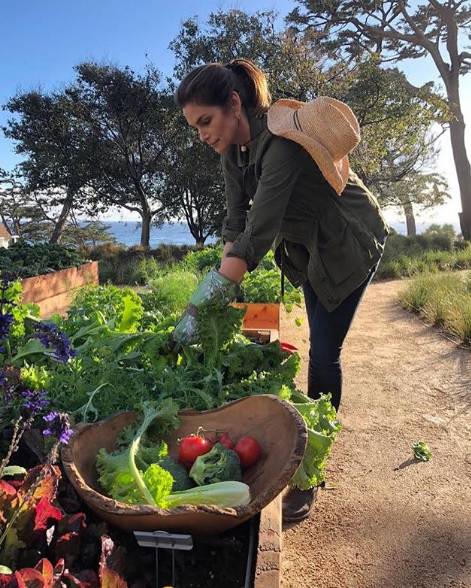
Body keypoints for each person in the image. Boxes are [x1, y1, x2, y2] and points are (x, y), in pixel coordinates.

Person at [173, 58, 389, 522]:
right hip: (308, 250)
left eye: (206, 121)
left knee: (325, 352)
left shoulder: (282, 148)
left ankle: (312, 471)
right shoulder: (234, 152)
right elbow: (235, 223)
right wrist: (216, 286)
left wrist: (199, 304)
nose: (202, 134)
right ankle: (311, 441)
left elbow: (259, 234)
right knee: (316, 338)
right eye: (195, 127)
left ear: (234, 104)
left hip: (348, 243)